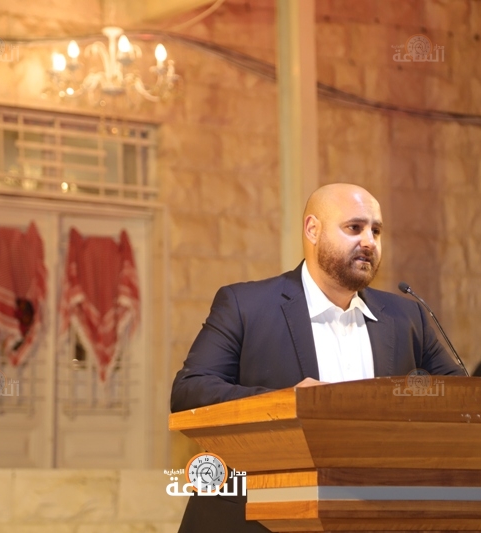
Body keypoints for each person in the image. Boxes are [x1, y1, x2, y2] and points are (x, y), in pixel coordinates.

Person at [171, 183, 465, 532]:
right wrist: (288, 403)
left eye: (376, 231)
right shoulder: (245, 306)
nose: (369, 241)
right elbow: (190, 391)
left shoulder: (407, 317)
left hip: (372, 517)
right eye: (354, 228)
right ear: (313, 230)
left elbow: (461, 396)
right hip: (255, 518)